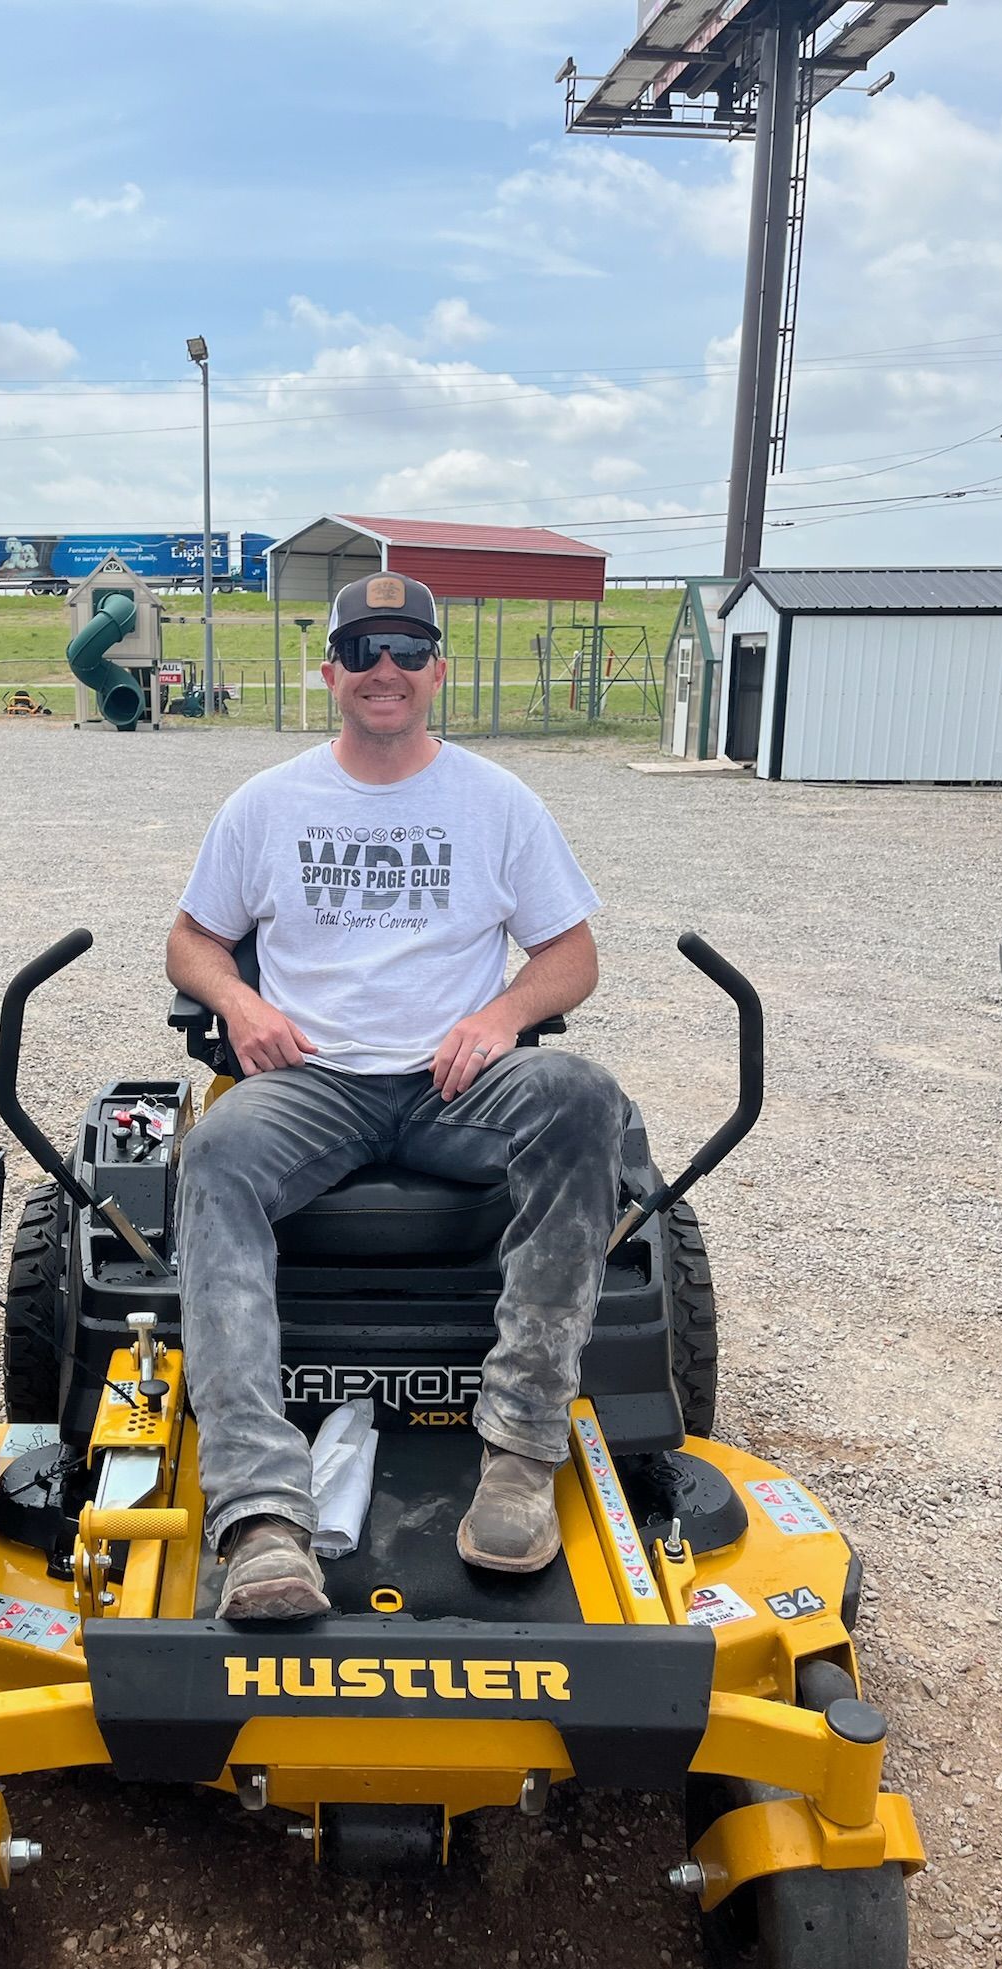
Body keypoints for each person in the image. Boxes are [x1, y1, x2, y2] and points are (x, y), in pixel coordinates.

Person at [166, 572, 626, 1623]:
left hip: (453, 1082)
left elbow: (572, 953)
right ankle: (262, 1514)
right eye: (364, 649)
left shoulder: (498, 801)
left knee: (582, 1097)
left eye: (409, 649)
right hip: (312, 1082)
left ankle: (516, 1456)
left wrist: (502, 1017)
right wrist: (238, 998)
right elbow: (190, 937)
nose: (386, 668)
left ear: (437, 673)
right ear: (329, 670)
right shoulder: (267, 803)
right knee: (216, 1152)